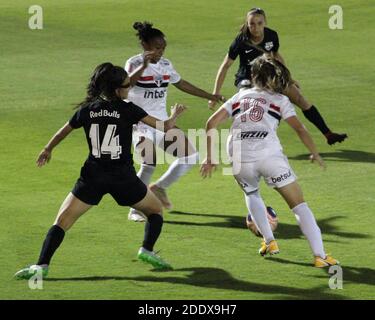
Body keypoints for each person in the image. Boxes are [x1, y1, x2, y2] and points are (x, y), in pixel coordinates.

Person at [14, 62, 187, 280]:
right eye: (127, 85)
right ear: (117, 90)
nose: (129, 89)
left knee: (61, 222)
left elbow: (63, 132)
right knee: (155, 211)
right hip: (123, 178)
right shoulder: (128, 109)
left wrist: (48, 149)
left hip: (92, 176)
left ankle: (41, 266)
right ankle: (147, 249)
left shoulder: (88, 109)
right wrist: (173, 117)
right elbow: (163, 127)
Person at [201, 55, 339, 268]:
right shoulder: (280, 100)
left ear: (253, 76)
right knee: (299, 206)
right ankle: (320, 256)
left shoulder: (240, 96)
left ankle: (270, 242)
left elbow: (211, 123)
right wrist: (315, 153)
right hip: (268, 155)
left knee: (251, 193)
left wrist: (209, 156)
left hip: (238, 155)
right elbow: (300, 129)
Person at [125, 21, 225, 222]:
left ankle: (159, 187)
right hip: (140, 123)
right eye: (157, 47)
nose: (161, 51)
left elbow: (181, 83)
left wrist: (210, 95)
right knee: (149, 163)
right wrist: (144, 65)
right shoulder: (134, 63)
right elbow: (125, 85)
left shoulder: (165, 65)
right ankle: (135, 209)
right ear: (145, 45)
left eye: (163, 47)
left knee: (191, 157)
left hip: (163, 122)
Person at [209, 7, 347, 146]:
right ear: (247, 24)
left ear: (265, 22)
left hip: (269, 76)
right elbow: (225, 65)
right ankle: (243, 143)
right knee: (249, 105)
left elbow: (276, 55)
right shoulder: (240, 41)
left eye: (259, 23)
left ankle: (328, 134)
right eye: (252, 24)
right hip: (248, 78)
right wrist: (215, 93)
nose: (255, 27)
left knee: (299, 98)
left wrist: (289, 78)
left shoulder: (272, 36)